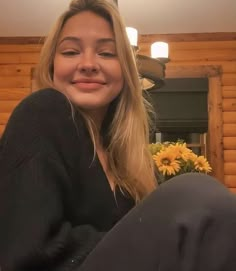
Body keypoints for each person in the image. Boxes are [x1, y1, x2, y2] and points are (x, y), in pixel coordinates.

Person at [1, 0, 236, 271]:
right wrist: (152, 239)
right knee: (197, 193)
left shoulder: (132, 162)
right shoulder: (41, 112)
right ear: (52, 66)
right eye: (70, 51)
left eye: (107, 53)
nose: (88, 64)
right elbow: (26, 249)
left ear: (125, 71)